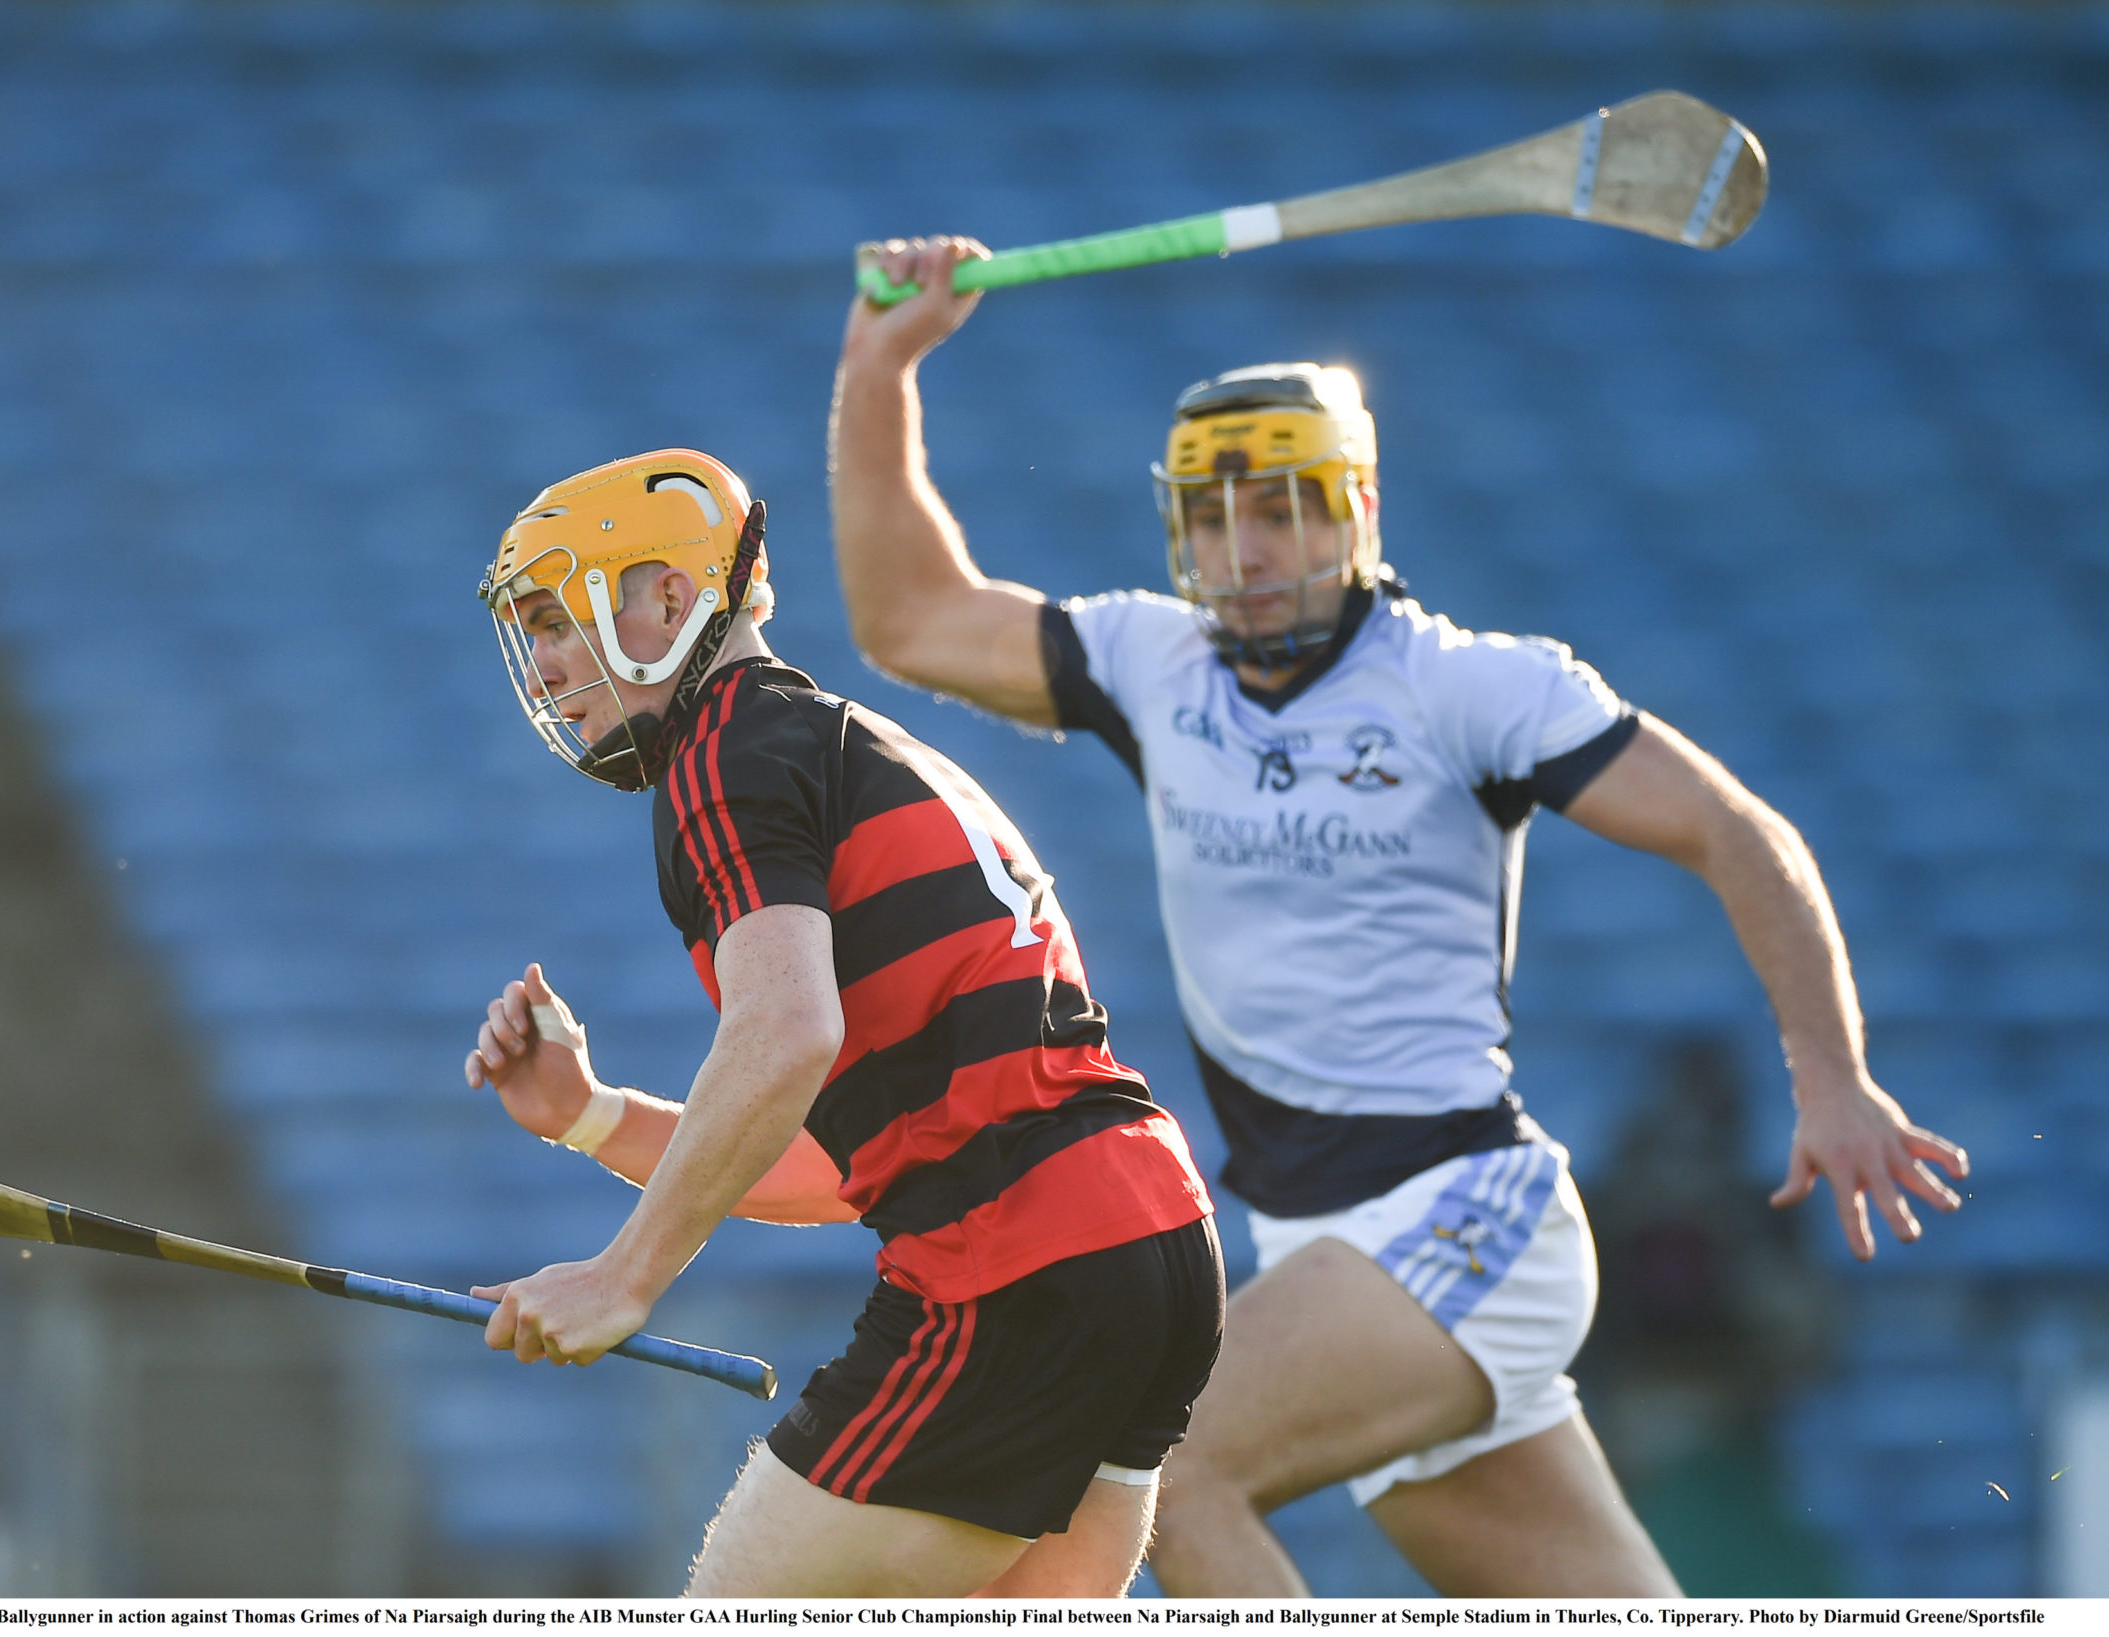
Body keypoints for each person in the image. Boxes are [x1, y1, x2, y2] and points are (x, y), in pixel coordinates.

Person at [825, 238, 1973, 1598]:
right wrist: (878, 366)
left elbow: (1738, 831)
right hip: (1318, 1253)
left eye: (1284, 509)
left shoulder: (1471, 688)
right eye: (1211, 517)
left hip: (1466, 1213)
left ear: (1357, 509)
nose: (1244, 554)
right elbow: (908, 620)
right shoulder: (1151, 664)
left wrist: (1829, 1075)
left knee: (1162, 1468)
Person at [460, 448, 1223, 1596]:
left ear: (670, 597)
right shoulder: (841, 741)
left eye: (559, 617)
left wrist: (625, 1274)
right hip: (1149, 1250)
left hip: (1012, 1267)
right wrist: (591, 1114)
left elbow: (784, 1030)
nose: (550, 662)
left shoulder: (723, 751)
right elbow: (844, 1164)